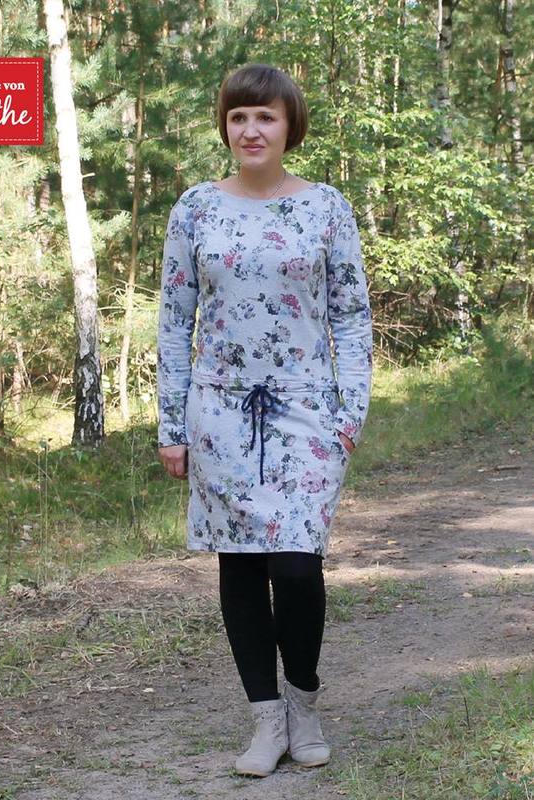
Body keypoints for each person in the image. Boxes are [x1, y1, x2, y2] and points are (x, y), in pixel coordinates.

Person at [156, 63, 373, 778]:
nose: (251, 130)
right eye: (239, 117)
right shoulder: (195, 208)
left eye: (266, 117)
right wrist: (172, 425)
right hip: (218, 409)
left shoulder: (326, 208)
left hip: (306, 409)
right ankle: (265, 719)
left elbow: (351, 315)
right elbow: (175, 321)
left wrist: (349, 414)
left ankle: (304, 701)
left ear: (289, 126)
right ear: (225, 126)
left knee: (297, 564)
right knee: (242, 564)